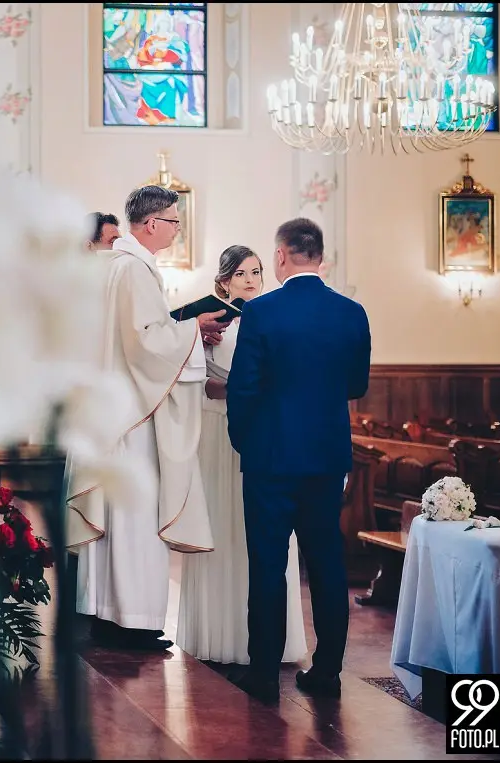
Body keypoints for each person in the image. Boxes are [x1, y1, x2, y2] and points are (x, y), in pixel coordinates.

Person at [68, 185, 227, 651]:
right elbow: (145, 343)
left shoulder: (109, 266)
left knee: (115, 522)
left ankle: (104, 614)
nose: (177, 231)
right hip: (133, 421)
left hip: (111, 414)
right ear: (152, 223)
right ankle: (133, 621)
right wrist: (194, 329)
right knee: (135, 520)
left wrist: (184, 331)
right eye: (174, 222)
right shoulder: (134, 269)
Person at [226, 218, 371, 704]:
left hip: (270, 459)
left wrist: (245, 443)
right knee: (327, 562)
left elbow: (243, 388)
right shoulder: (352, 313)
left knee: (268, 565)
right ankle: (327, 671)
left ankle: (265, 674)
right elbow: (356, 385)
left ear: (281, 255)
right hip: (327, 458)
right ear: (320, 256)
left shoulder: (261, 312)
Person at [176, 246, 308, 666]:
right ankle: (219, 637)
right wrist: (235, 386)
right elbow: (199, 382)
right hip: (219, 432)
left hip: (265, 437)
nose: (250, 280)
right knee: (223, 527)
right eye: (240, 274)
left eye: (256, 272)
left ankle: (269, 643)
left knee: (266, 538)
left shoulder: (274, 318)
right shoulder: (212, 324)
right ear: (224, 281)